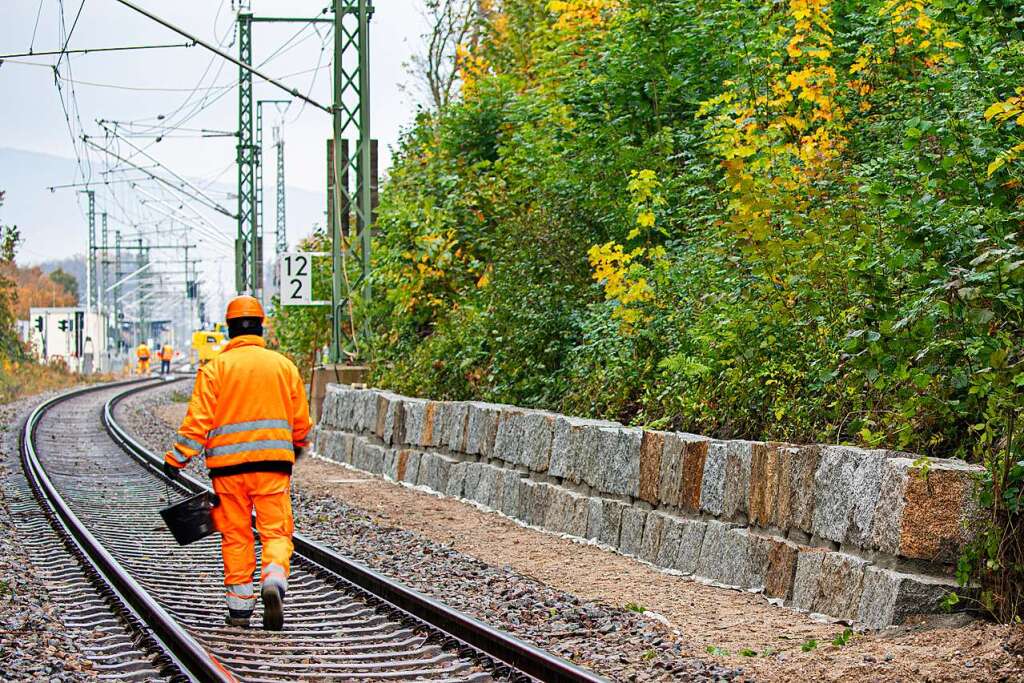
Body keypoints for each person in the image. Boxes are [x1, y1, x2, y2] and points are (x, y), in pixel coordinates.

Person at [162, 295, 311, 630]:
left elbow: (197, 422)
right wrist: (296, 446)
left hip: (227, 471)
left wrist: (176, 460)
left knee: (236, 535)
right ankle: (273, 579)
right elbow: (301, 421)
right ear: (261, 326)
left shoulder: (215, 369)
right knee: (275, 531)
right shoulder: (284, 366)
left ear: (229, 329)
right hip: (273, 467)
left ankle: (240, 611)